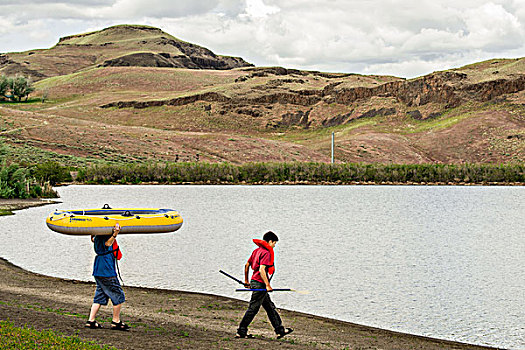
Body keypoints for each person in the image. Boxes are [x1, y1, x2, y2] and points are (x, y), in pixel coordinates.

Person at [236, 231, 293, 339]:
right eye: (274, 243)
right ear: (270, 241)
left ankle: (280, 330)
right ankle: (241, 330)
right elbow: (262, 269)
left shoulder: (256, 251)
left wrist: (247, 281)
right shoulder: (266, 253)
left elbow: (247, 265)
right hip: (260, 284)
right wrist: (267, 285)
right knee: (253, 308)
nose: (274, 246)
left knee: (269, 307)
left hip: (254, 281)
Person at [85, 223, 130, 331]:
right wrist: (115, 234)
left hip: (98, 269)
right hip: (107, 270)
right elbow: (107, 244)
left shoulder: (96, 237)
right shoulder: (106, 238)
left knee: (100, 294)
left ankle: (91, 320)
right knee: (118, 294)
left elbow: (95, 240)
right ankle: (116, 321)